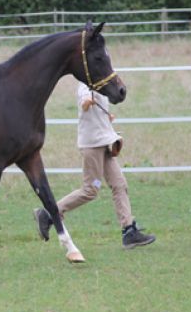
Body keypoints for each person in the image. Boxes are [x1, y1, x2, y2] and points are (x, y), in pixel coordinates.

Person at [33, 82, 155, 249]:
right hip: (92, 146)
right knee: (90, 190)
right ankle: (49, 213)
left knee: (119, 184)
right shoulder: (85, 86)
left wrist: (106, 118)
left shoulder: (100, 86)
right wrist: (87, 102)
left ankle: (129, 231)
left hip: (105, 142)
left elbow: (96, 112)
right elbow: (84, 103)